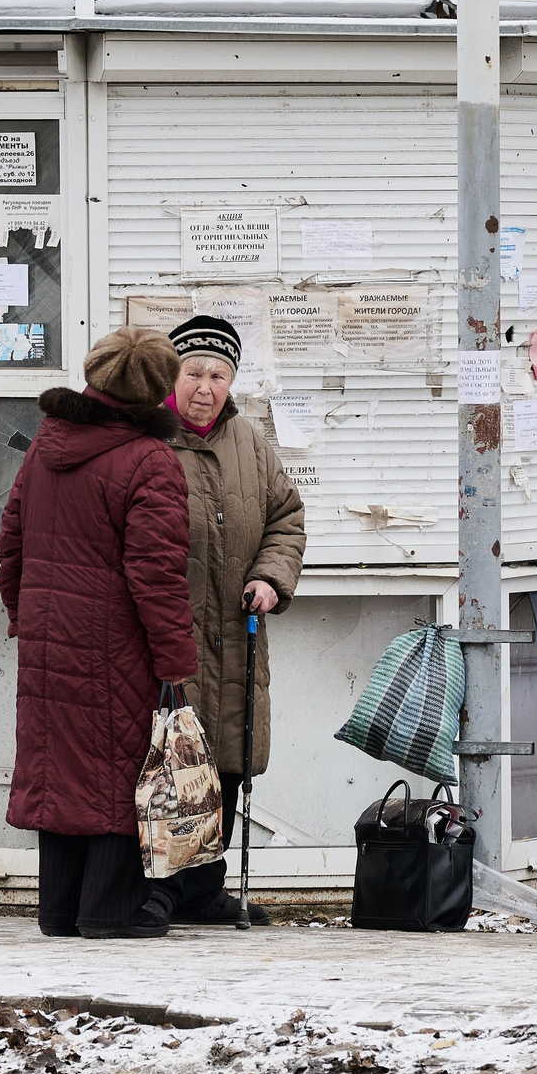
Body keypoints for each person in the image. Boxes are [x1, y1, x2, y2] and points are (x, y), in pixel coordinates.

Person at [0, 326, 199, 940]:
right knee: (117, 767)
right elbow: (156, 573)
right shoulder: (149, 460)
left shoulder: (45, 444)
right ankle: (110, 911)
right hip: (116, 643)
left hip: (46, 636)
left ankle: (58, 910)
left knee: (59, 768)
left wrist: (24, 618)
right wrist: (175, 659)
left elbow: (12, 545)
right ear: (158, 392)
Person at [157, 314, 307, 925]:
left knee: (227, 763)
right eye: (194, 372)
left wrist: (270, 579)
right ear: (173, 375)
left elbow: (286, 518)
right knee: (172, 762)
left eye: (219, 375)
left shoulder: (249, 442)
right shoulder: (150, 440)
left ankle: (206, 890)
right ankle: (164, 888)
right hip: (171, 633)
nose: (205, 387)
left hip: (237, 632)